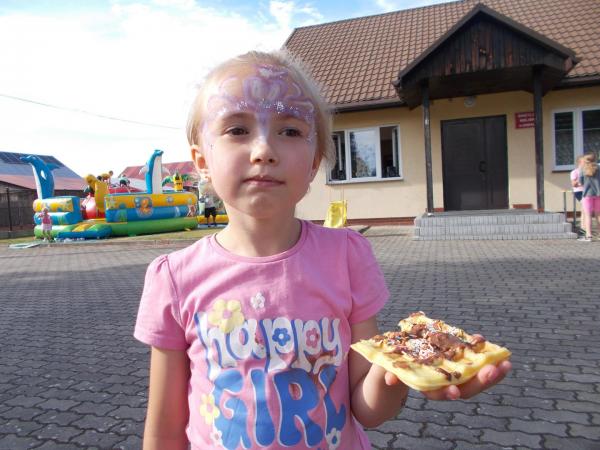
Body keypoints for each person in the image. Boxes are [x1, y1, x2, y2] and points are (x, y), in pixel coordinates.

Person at [134, 50, 511, 450]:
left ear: (314, 162)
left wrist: (399, 373)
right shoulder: (174, 278)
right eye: (237, 129)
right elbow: (164, 430)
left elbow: (367, 409)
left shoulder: (346, 256)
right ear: (201, 160)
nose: (264, 150)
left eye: (290, 131)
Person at [578, 152, 600, 242]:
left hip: (587, 195)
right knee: (598, 215)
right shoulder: (598, 168)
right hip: (598, 194)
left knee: (588, 216)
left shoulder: (582, 169)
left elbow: (580, 182)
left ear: (585, 160)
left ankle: (589, 236)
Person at [570, 155, 586, 230]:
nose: (586, 163)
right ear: (580, 163)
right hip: (579, 191)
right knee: (585, 207)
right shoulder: (574, 172)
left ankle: (584, 227)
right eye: (584, 162)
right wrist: (580, 177)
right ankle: (583, 227)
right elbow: (573, 184)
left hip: (588, 191)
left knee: (585, 209)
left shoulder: (588, 171)